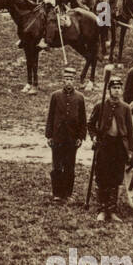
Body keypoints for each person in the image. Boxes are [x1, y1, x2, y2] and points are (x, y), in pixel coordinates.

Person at [87, 73, 133, 222]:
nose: (117, 91)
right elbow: (90, 124)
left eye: (119, 88)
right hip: (104, 145)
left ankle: (112, 210)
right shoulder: (100, 105)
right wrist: (94, 137)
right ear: (109, 90)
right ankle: (102, 209)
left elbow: (131, 130)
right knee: (102, 177)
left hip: (119, 146)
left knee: (116, 177)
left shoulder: (126, 108)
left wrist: (131, 150)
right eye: (114, 88)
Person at [45, 64, 86, 202]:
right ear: (63, 80)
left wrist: (81, 137)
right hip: (58, 136)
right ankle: (57, 193)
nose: (68, 81)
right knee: (57, 165)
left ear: (74, 81)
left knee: (70, 166)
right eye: (66, 78)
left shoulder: (80, 98)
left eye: (71, 79)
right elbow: (50, 116)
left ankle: (68, 194)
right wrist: (49, 135)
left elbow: (83, 119)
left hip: (72, 137)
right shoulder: (55, 96)